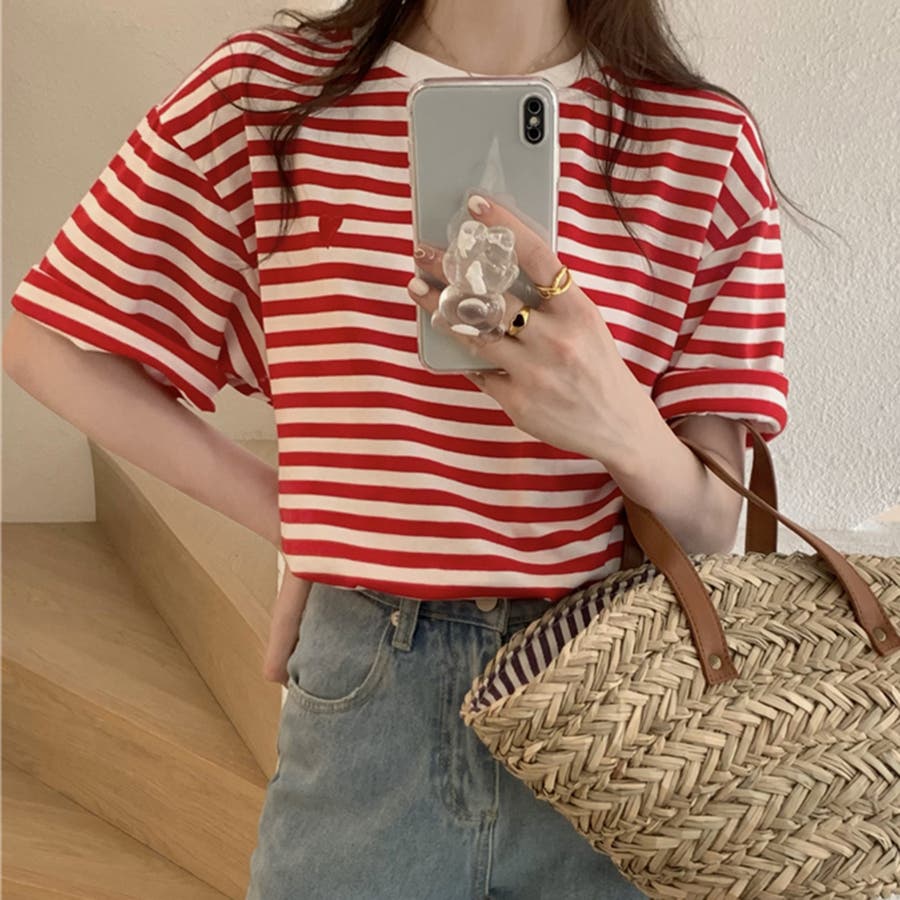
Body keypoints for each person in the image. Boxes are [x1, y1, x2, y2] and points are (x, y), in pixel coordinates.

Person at [3, 1, 793, 897]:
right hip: (368, 686)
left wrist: (616, 416)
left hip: (613, 707)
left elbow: (713, 525)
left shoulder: (699, 142)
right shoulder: (266, 97)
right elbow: (50, 345)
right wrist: (303, 518)